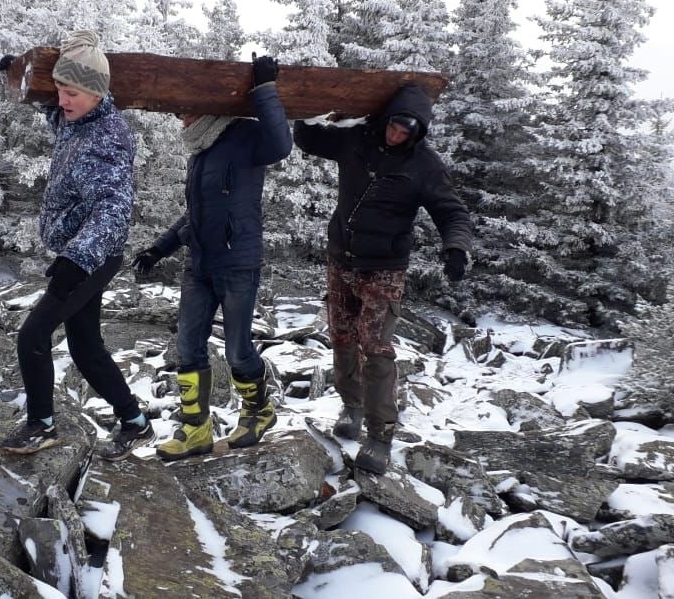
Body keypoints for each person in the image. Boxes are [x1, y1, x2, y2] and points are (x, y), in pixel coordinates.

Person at [293, 83, 473, 474]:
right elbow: (307, 139)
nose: (396, 135)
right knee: (341, 336)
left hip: (385, 268)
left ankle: (380, 435)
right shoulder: (358, 140)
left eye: (406, 131)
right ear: (386, 120)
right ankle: (351, 406)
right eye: (394, 126)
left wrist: (456, 247)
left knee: (375, 348)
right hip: (341, 259)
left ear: (417, 133)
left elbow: (452, 211)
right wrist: (311, 112)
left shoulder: (425, 165)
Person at [0, 30, 153, 461]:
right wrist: (20, 78)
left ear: (97, 93)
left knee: (33, 334)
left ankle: (41, 425)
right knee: (85, 347)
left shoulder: (109, 138)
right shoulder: (75, 119)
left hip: (93, 255)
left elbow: (112, 209)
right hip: (82, 252)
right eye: (61, 91)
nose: (64, 101)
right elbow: (54, 112)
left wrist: (76, 261)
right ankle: (135, 423)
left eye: (73, 94)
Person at [133, 54, 292, 461]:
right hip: (200, 265)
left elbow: (281, 144)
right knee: (188, 347)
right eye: (177, 111)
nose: (179, 117)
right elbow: (196, 214)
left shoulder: (243, 136)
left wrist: (266, 89)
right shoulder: (200, 151)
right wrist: (159, 248)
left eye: (185, 108)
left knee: (238, 349)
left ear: (209, 105)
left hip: (238, 261)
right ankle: (195, 430)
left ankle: (259, 411)